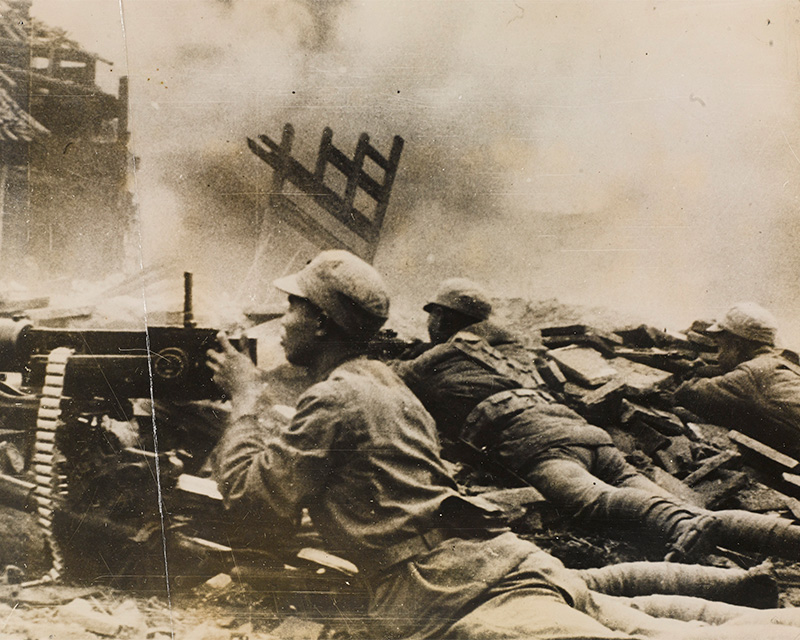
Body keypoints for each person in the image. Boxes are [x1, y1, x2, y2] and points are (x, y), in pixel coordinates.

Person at [206, 251, 636, 640]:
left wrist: (244, 400)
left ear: (321, 323)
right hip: (492, 562)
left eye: (292, 307)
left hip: (446, 593)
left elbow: (252, 503)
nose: (283, 320)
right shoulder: (385, 382)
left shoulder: (334, 397)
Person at [393, 279, 800, 563]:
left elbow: (384, 382)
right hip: (586, 434)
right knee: (647, 495)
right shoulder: (516, 348)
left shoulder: (431, 361)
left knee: (591, 502)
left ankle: (689, 527)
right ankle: (772, 536)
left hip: (535, 440)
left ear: (443, 319)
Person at [674, 302, 800, 459]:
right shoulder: (785, 363)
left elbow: (690, 393)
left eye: (720, 347)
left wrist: (692, 373)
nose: (718, 357)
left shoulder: (752, 373)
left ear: (738, 346)